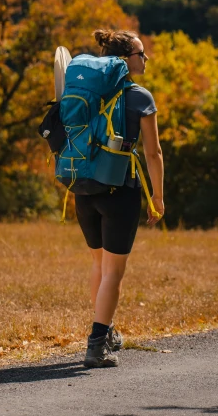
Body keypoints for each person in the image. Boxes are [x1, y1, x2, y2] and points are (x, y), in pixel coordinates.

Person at [76, 28, 164, 368]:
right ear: (126, 60)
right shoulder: (140, 97)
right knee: (114, 272)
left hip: (84, 189)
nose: (145, 59)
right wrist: (158, 196)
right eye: (141, 54)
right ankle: (97, 344)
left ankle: (106, 329)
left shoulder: (86, 91)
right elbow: (153, 153)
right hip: (119, 191)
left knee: (100, 265)